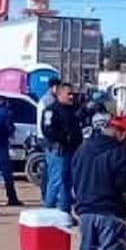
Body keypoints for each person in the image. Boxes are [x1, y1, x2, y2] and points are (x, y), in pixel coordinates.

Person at [71, 113, 126, 250]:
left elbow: (74, 178)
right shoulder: (120, 153)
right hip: (111, 214)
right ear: (122, 134)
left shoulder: (83, 149)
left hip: (86, 213)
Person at [41, 82, 83, 213]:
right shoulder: (51, 110)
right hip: (58, 151)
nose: (72, 97)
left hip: (72, 150)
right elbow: (48, 130)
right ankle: (48, 211)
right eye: (68, 94)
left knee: (68, 182)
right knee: (56, 181)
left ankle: (65, 212)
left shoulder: (74, 110)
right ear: (59, 94)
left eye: (73, 94)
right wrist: (62, 138)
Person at [35, 77, 61, 196]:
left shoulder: (46, 99)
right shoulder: (49, 100)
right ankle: (47, 193)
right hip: (47, 137)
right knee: (51, 167)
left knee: (49, 166)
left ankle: (45, 192)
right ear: (54, 87)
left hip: (44, 136)